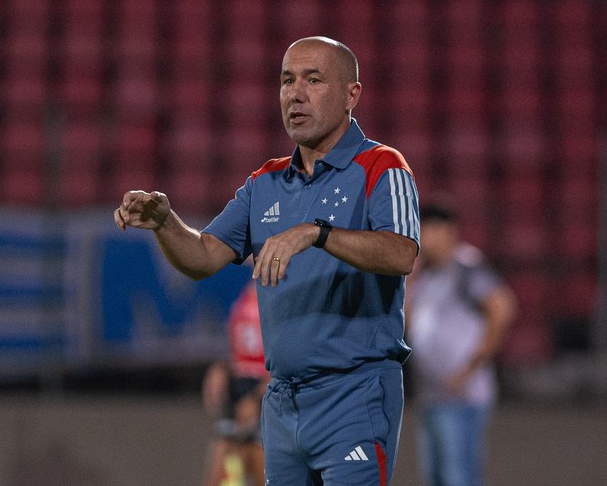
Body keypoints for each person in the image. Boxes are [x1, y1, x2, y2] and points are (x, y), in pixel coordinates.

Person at [115, 36, 420, 485]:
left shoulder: (381, 165)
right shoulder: (265, 181)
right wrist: (165, 222)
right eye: (286, 80)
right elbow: (201, 257)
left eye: (313, 80)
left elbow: (402, 253)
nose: (295, 93)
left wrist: (317, 233)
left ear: (352, 94)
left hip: (354, 395)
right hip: (280, 402)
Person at [406, 202, 517, 486]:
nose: (423, 235)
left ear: (449, 230)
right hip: (432, 395)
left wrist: (471, 368)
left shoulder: (466, 266)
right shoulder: (427, 275)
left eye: (430, 227)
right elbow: (406, 325)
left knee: (459, 478)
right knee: (437, 477)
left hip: (462, 396)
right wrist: (410, 276)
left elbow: (502, 307)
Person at [201, 280, 269, 486]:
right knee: (222, 464)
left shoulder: (284, 285)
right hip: (238, 400)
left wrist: (258, 397)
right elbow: (246, 347)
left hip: (268, 402)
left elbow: (293, 355)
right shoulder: (247, 289)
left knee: (262, 468)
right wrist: (222, 368)